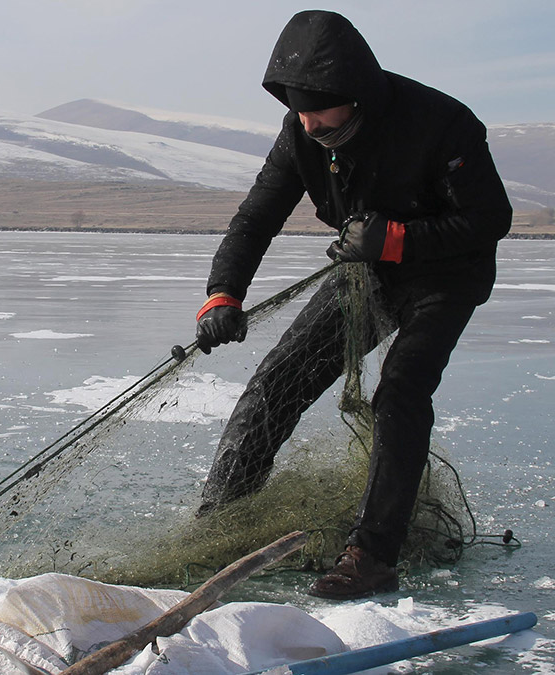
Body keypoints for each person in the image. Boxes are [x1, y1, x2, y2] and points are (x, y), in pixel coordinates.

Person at [193, 10, 512, 599]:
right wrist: (223, 292)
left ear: (355, 96)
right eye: (298, 108)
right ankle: (218, 522)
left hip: (446, 275)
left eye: (318, 109)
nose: (307, 121)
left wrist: (398, 239)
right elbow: (257, 215)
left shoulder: (442, 122)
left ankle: (371, 556)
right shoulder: (300, 133)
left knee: (400, 391)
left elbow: (492, 219)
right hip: (367, 273)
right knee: (276, 382)